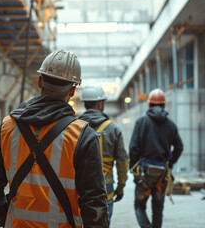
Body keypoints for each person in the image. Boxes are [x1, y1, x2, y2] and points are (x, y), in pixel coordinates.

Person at [0, 49, 109, 228]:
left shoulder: (8, 127)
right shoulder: (82, 136)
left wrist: (5, 218)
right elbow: (95, 203)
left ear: (40, 81)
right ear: (72, 90)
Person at [128, 88, 183, 228]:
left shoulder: (141, 123)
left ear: (149, 105)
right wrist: (170, 163)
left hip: (145, 173)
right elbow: (179, 147)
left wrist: (133, 169)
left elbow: (133, 148)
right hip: (162, 174)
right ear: (163, 105)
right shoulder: (171, 125)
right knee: (157, 210)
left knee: (139, 205)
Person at [78, 85, 129, 225]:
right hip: (105, 188)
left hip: (78, 186)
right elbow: (122, 161)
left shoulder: (75, 127)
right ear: (100, 104)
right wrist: (121, 186)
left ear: (84, 104)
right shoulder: (113, 129)